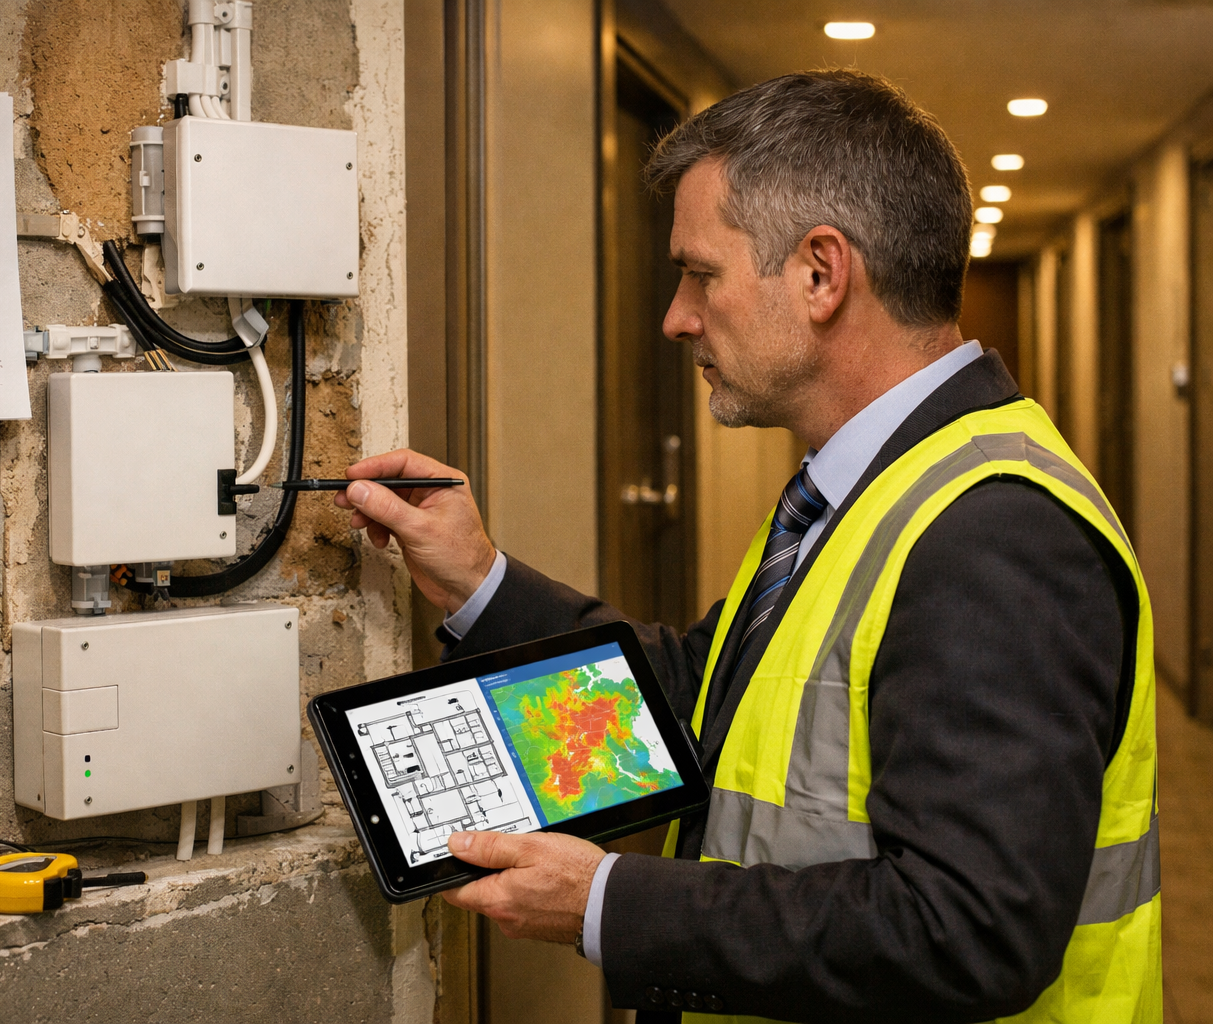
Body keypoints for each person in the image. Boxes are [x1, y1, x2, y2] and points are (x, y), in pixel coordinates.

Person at [335, 69, 1160, 1022]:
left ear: (820, 272)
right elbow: (706, 690)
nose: (677, 316)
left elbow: (967, 929)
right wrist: (479, 579)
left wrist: (606, 902)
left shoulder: (993, 530)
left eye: (700, 273)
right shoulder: (865, 487)